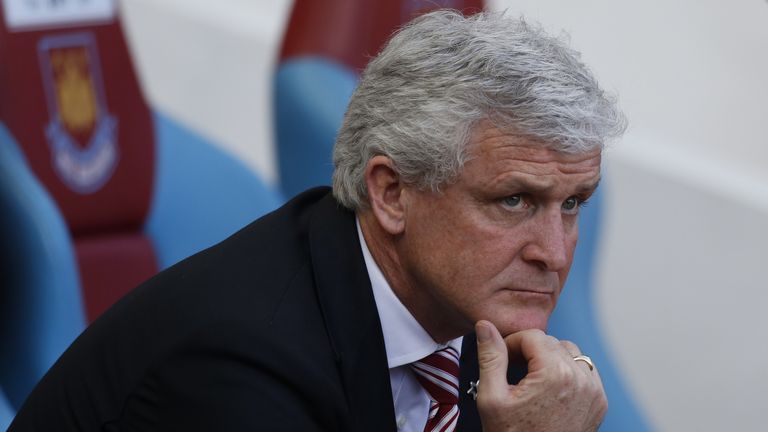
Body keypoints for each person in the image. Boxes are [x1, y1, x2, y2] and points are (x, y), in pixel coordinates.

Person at [10, 9, 625, 432]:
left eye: (572, 204)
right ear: (390, 193)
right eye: (513, 201)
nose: (554, 252)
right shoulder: (236, 367)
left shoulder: (464, 305)